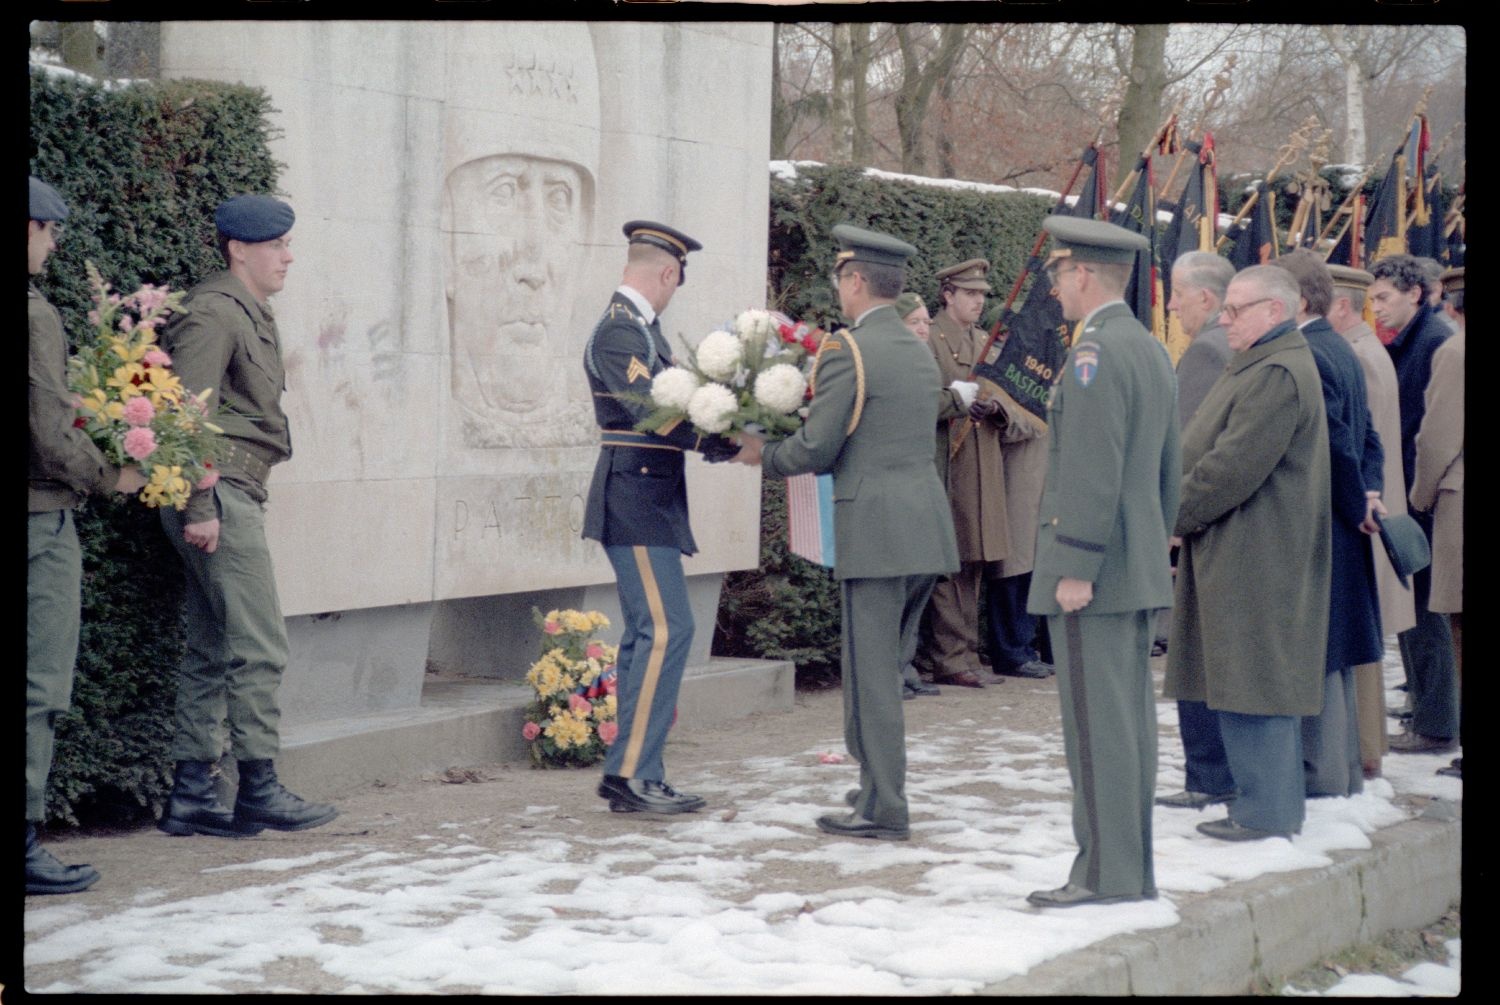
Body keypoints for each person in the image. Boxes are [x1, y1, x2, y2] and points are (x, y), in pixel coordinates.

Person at [737, 224, 959, 841]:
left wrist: (763, 453)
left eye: (841, 280)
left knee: (872, 674)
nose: (840, 291)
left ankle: (885, 804)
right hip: (923, 526)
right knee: (888, 665)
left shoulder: (848, 350)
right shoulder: (918, 346)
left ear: (856, 280)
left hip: (876, 529)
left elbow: (818, 445)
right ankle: (875, 786)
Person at [157, 194, 337, 838]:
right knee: (261, 644)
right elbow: (184, 414)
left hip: (232, 492)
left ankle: (191, 797)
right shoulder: (214, 311)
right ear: (239, 249)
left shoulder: (246, 310)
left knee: (211, 648)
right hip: (219, 495)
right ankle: (257, 788)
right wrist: (200, 505)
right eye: (276, 246)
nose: (288, 257)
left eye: (288, 245)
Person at [1024, 217, 1179, 907]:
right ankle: (1128, 869)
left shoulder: (1094, 355)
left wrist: (1077, 563)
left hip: (1097, 571)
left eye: (1058, 274)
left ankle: (1103, 874)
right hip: (1134, 561)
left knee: (1098, 729)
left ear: (1083, 273)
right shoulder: (1145, 348)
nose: (1055, 288)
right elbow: (1165, 471)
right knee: (1127, 727)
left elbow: (1092, 470)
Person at [1167, 265, 1330, 842]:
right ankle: (1261, 804)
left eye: (1236, 310)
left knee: (1253, 678)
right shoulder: (1262, 361)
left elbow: (1230, 467)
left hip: (1256, 552)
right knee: (1241, 675)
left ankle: (1267, 811)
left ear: (1275, 312)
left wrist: (1171, 515)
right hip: (1241, 546)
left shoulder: (1278, 371)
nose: (1224, 319)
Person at [583, 221, 741, 815]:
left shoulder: (640, 330)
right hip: (635, 497)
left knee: (649, 635)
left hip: (647, 496)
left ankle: (633, 770)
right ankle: (632, 775)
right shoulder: (619, 330)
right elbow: (650, 409)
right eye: (676, 281)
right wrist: (724, 441)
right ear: (668, 272)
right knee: (667, 631)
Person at [28, 177, 148, 894]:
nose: (51, 244)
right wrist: (110, 475)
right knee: (39, 685)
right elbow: (47, 426)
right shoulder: (35, 312)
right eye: (47, 231)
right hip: (39, 519)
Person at [1273, 250, 1384, 799]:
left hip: (1326, 520)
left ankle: (1323, 777)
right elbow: (1370, 438)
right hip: (1346, 514)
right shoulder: (1335, 344)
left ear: (1296, 300)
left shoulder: (1309, 353)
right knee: (1335, 650)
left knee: (1319, 648)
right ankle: (1337, 772)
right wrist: (1368, 493)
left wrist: (1353, 503)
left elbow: (1342, 442)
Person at [1155, 251, 1238, 812]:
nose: (1173, 305)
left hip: (1201, 524)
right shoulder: (1231, 346)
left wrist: (1172, 518)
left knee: (1196, 653)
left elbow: (1187, 446)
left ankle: (1207, 777)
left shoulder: (1206, 352)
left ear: (1206, 299)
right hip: (1224, 521)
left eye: (1179, 294)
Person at [1327, 264, 1415, 779]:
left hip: (1364, 513)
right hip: (1377, 508)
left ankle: (1364, 750)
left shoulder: (1354, 355)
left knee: (1360, 645)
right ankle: (1369, 745)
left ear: (1340, 305)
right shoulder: (1368, 348)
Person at [1368, 254, 1458, 755]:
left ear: (1416, 295)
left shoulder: (1434, 342)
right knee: (1413, 607)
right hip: (1408, 492)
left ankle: (1436, 722)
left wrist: (1417, 497)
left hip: (1423, 496)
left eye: (1384, 298)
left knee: (1426, 610)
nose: (1376, 309)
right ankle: (1426, 704)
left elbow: (1432, 433)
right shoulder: (1413, 341)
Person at [919, 259, 1010, 689]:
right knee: (950, 561)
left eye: (982, 295)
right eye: (970, 294)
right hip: (948, 462)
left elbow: (1004, 394)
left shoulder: (982, 340)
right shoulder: (929, 339)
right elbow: (921, 399)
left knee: (972, 560)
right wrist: (957, 402)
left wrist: (995, 406)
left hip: (981, 461)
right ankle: (950, 657)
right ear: (948, 294)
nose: (978, 301)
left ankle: (967, 652)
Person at [1409, 266, 1464, 779]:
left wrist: (1420, 499)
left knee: (1458, 625)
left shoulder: (1454, 352)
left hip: (1459, 501)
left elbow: (1438, 438)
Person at [894, 291, 941, 700]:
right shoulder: (893, 363)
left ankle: (905, 663)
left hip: (928, 485)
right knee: (899, 583)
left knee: (923, 577)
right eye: (915, 322)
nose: (924, 328)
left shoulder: (926, 360)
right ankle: (892, 668)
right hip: (900, 489)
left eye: (926, 321)